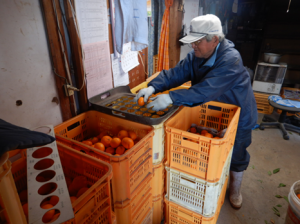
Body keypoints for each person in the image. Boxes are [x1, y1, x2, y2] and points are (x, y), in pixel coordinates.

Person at [134, 14, 257, 209]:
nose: (193, 46)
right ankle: (211, 184)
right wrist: (152, 87)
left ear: (214, 40)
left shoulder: (231, 60)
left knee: (237, 153)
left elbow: (206, 89)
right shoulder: (195, 56)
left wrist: (171, 97)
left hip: (237, 114)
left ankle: (235, 189)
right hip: (210, 111)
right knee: (210, 152)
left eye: (197, 42)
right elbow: (175, 74)